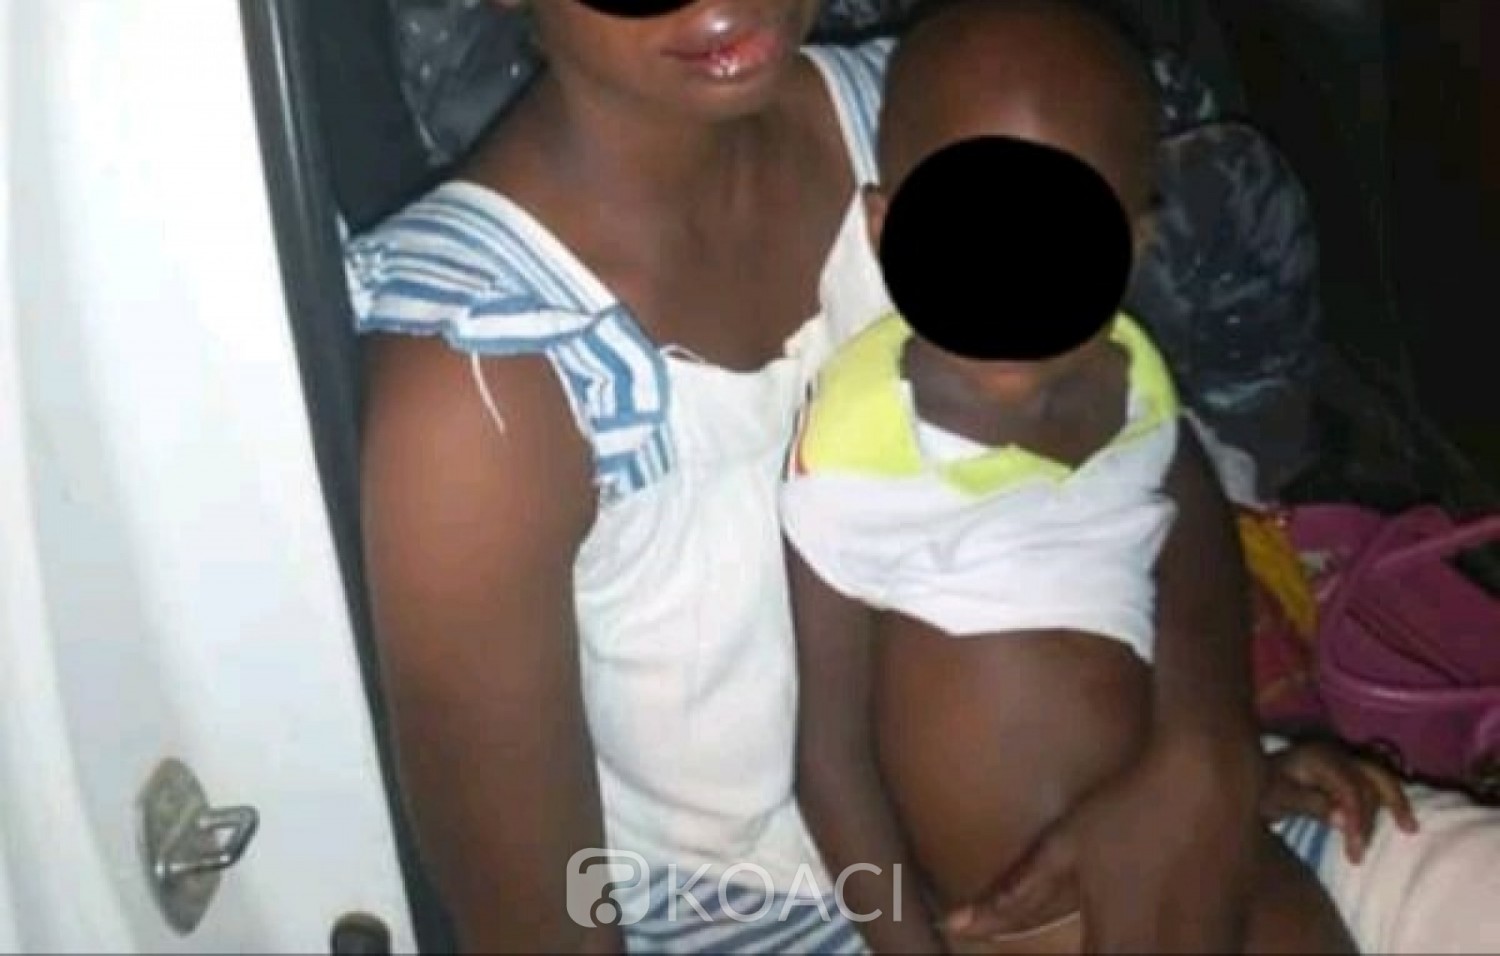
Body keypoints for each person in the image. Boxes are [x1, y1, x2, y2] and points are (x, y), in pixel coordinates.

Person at [347, 0, 1500, 951]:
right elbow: (543, 922)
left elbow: (1148, 444)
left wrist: (1201, 750)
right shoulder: (479, 388)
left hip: (1127, 799)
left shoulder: (929, 108)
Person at [780, 4, 1401, 951]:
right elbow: (829, 763)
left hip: (1207, 849)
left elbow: (1170, 569)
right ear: (883, 228)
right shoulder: (859, 453)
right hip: (1019, 920)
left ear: (1134, 245)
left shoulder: (1137, 384)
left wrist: (1244, 772)